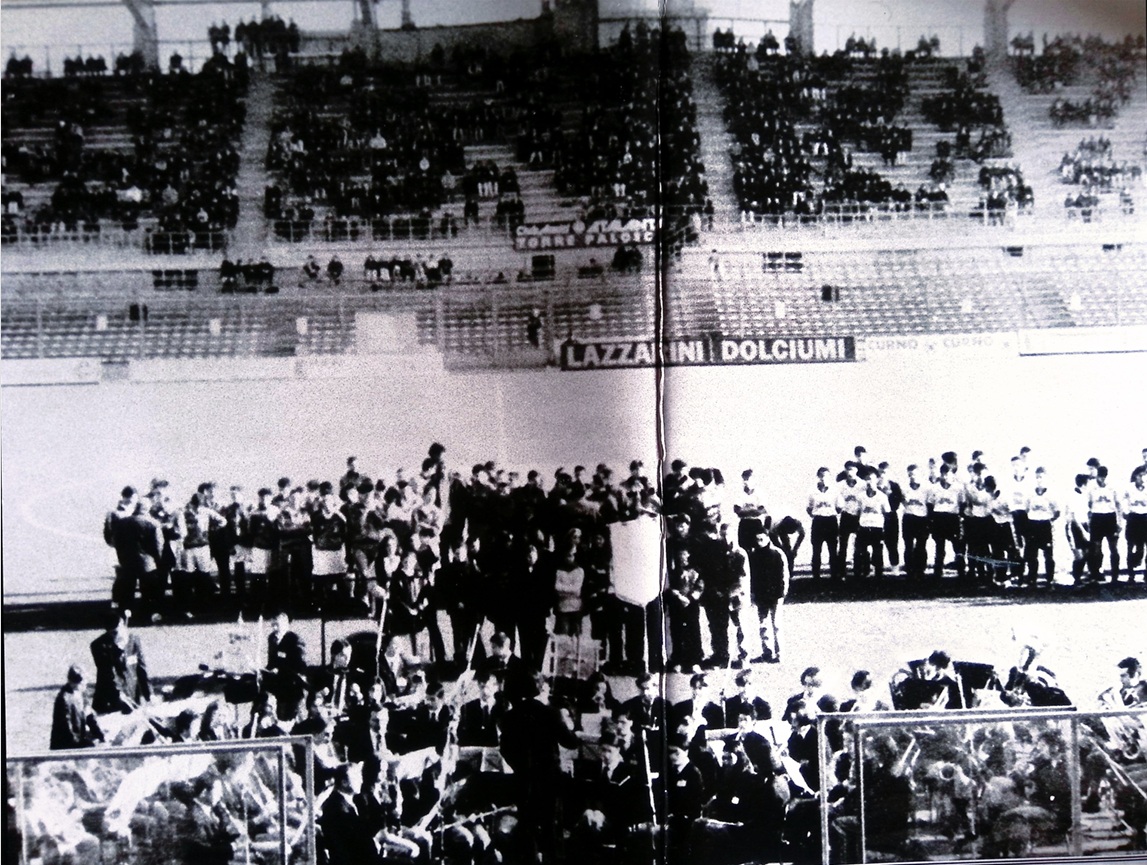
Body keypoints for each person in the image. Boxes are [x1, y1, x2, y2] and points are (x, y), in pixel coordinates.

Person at [90, 609, 151, 714]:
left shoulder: (134, 640)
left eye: (116, 632)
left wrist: (149, 695)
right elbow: (108, 672)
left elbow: (141, 669)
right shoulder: (98, 645)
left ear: (123, 624)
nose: (114, 636)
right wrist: (118, 648)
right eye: (111, 634)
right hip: (110, 700)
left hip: (132, 696)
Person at [746, 521, 788, 663]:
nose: (759, 542)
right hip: (761, 596)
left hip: (776, 595)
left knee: (776, 625)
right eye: (757, 540)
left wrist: (782, 593)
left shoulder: (777, 553)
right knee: (763, 625)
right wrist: (753, 594)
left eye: (762, 539)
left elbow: (784, 576)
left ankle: (780, 653)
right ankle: (767, 652)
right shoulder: (753, 556)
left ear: (768, 537)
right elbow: (752, 577)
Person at [50, 665, 104, 749]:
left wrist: (100, 736)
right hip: (65, 746)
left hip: (78, 740)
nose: (86, 685)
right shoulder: (64, 699)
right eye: (84, 682)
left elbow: (90, 717)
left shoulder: (81, 694)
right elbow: (66, 728)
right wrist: (82, 743)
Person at [807, 467, 840, 580]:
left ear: (830, 477)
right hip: (818, 521)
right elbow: (809, 507)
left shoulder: (835, 491)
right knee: (816, 549)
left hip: (830, 520)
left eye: (826, 476)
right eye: (821, 476)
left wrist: (830, 513)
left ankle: (834, 575)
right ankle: (816, 576)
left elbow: (839, 507)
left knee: (832, 549)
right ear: (818, 477)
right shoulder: (812, 492)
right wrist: (817, 515)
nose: (823, 478)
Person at [1124, 469, 1147, 582]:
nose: (1142, 479)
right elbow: (1121, 501)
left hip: (1145, 518)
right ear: (1135, 478)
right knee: (1130, 546)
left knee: (1143, 549)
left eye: (1144, 476)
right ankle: (1131, 574)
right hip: (1133, 518)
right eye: (1140, 477)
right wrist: (1125, 512)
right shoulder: (1129, 489)